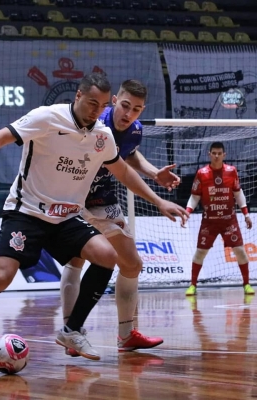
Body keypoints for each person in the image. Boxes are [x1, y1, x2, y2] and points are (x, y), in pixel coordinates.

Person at [0, 73, 188, 370]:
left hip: (66, 216)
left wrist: (159, 200)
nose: (96, 110)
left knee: (107, 255)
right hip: (26, 212)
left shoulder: (102, 136)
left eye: (102, 104)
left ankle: (71, 331)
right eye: (92, 102)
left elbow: (124, 172)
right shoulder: (46, 118)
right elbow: (1, 136)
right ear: (77, 97)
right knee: (1, 277)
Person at [60, 79, 181, 356]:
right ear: (115, 100)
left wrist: (153, 172)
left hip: (103, 197)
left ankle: (126, 335)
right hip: (74, 198)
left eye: (136, 109)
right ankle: (70, 332)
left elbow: (130, 154)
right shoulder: (97, 127)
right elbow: (121, 168)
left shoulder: (134, 130)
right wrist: (158, 199)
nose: (128, 114)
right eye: (125, 106)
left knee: (132, 263)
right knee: (76, 260)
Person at [184, 141, 254, 296]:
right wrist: (187, 212)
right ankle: (193, 285)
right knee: (200, 253)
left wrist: (246, 214)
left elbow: (238, 193)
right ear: (209, 154)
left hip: (229, 220)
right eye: (213, 153)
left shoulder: (232, 171)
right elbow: (195, 196)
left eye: (219, 153)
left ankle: (247, 284)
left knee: (240, 252)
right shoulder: (202, 173)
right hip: (209, 221)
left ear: (224, 155)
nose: (216, 156)